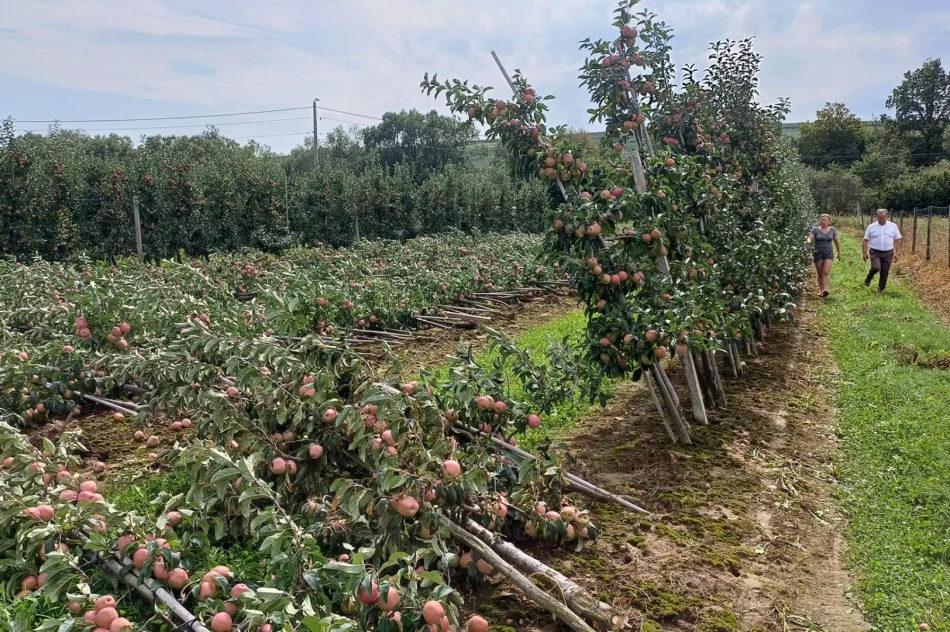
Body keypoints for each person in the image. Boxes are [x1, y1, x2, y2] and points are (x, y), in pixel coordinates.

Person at [862, 208, 902, 293]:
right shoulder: (871, 227)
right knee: (876, 267)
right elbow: (865, 240)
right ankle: (869, 277)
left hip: (888, 252)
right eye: (880, 218)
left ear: (887, 217)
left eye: (883, 218)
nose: (881, 220)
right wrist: (864, 253)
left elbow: (898, 239)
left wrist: (897, 252)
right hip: (875, 251)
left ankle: (881, 289)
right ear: (877, 217)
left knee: (885, 271)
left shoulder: (893, 226)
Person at [805, 214, 841, 297]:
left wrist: (839, 252)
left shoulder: (832, 230)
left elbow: (836, 242)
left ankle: (825, 289)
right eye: (822, 220)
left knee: (825, 271)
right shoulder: (815, 230)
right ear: (819, 221)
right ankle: (821, 290)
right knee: (820, 273)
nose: (823, 221)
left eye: (825, 220)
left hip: (828, 252)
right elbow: (810, 238)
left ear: (829, 222)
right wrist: (808, 241)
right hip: (818, 252)